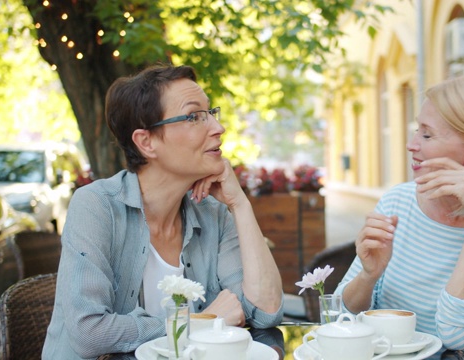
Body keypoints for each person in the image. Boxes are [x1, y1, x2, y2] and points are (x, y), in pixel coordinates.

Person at [42, 64, 284, 359]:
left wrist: (240, 205)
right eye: (195, 116)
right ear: (146, 142)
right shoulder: (96, 205)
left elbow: (265, 312)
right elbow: (89, 333)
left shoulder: (213, 211)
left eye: (211, 113)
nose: (218, 128)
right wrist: (201, 322)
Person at [334, 74, 464, 359]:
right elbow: (339, 313)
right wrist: (369, 275)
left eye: (426, 134)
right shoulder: (398, 201)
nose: (411, 144)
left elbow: (459, 335)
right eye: (416, 130)